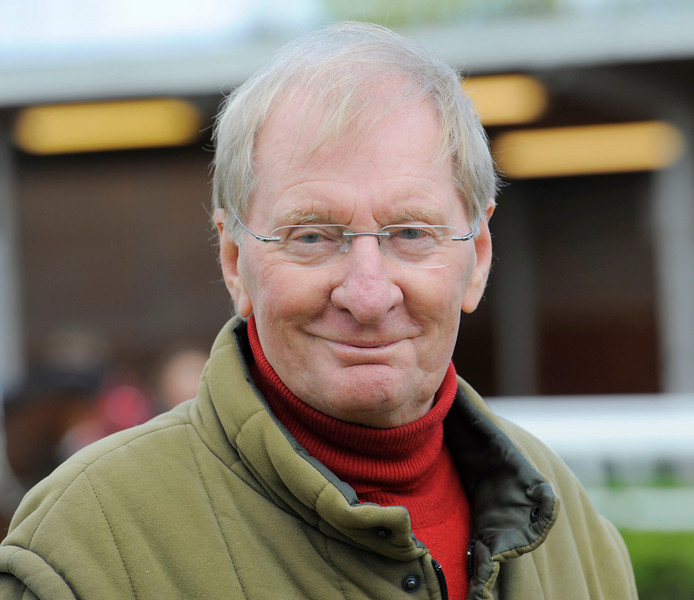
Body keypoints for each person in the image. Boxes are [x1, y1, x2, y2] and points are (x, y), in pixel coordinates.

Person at [0, 22, 637, 599]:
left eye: (412, 233)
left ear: (478, 258)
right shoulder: (85, 548)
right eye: (312, 236)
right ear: (233, 260)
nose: (367, 294)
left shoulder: (571, 529)